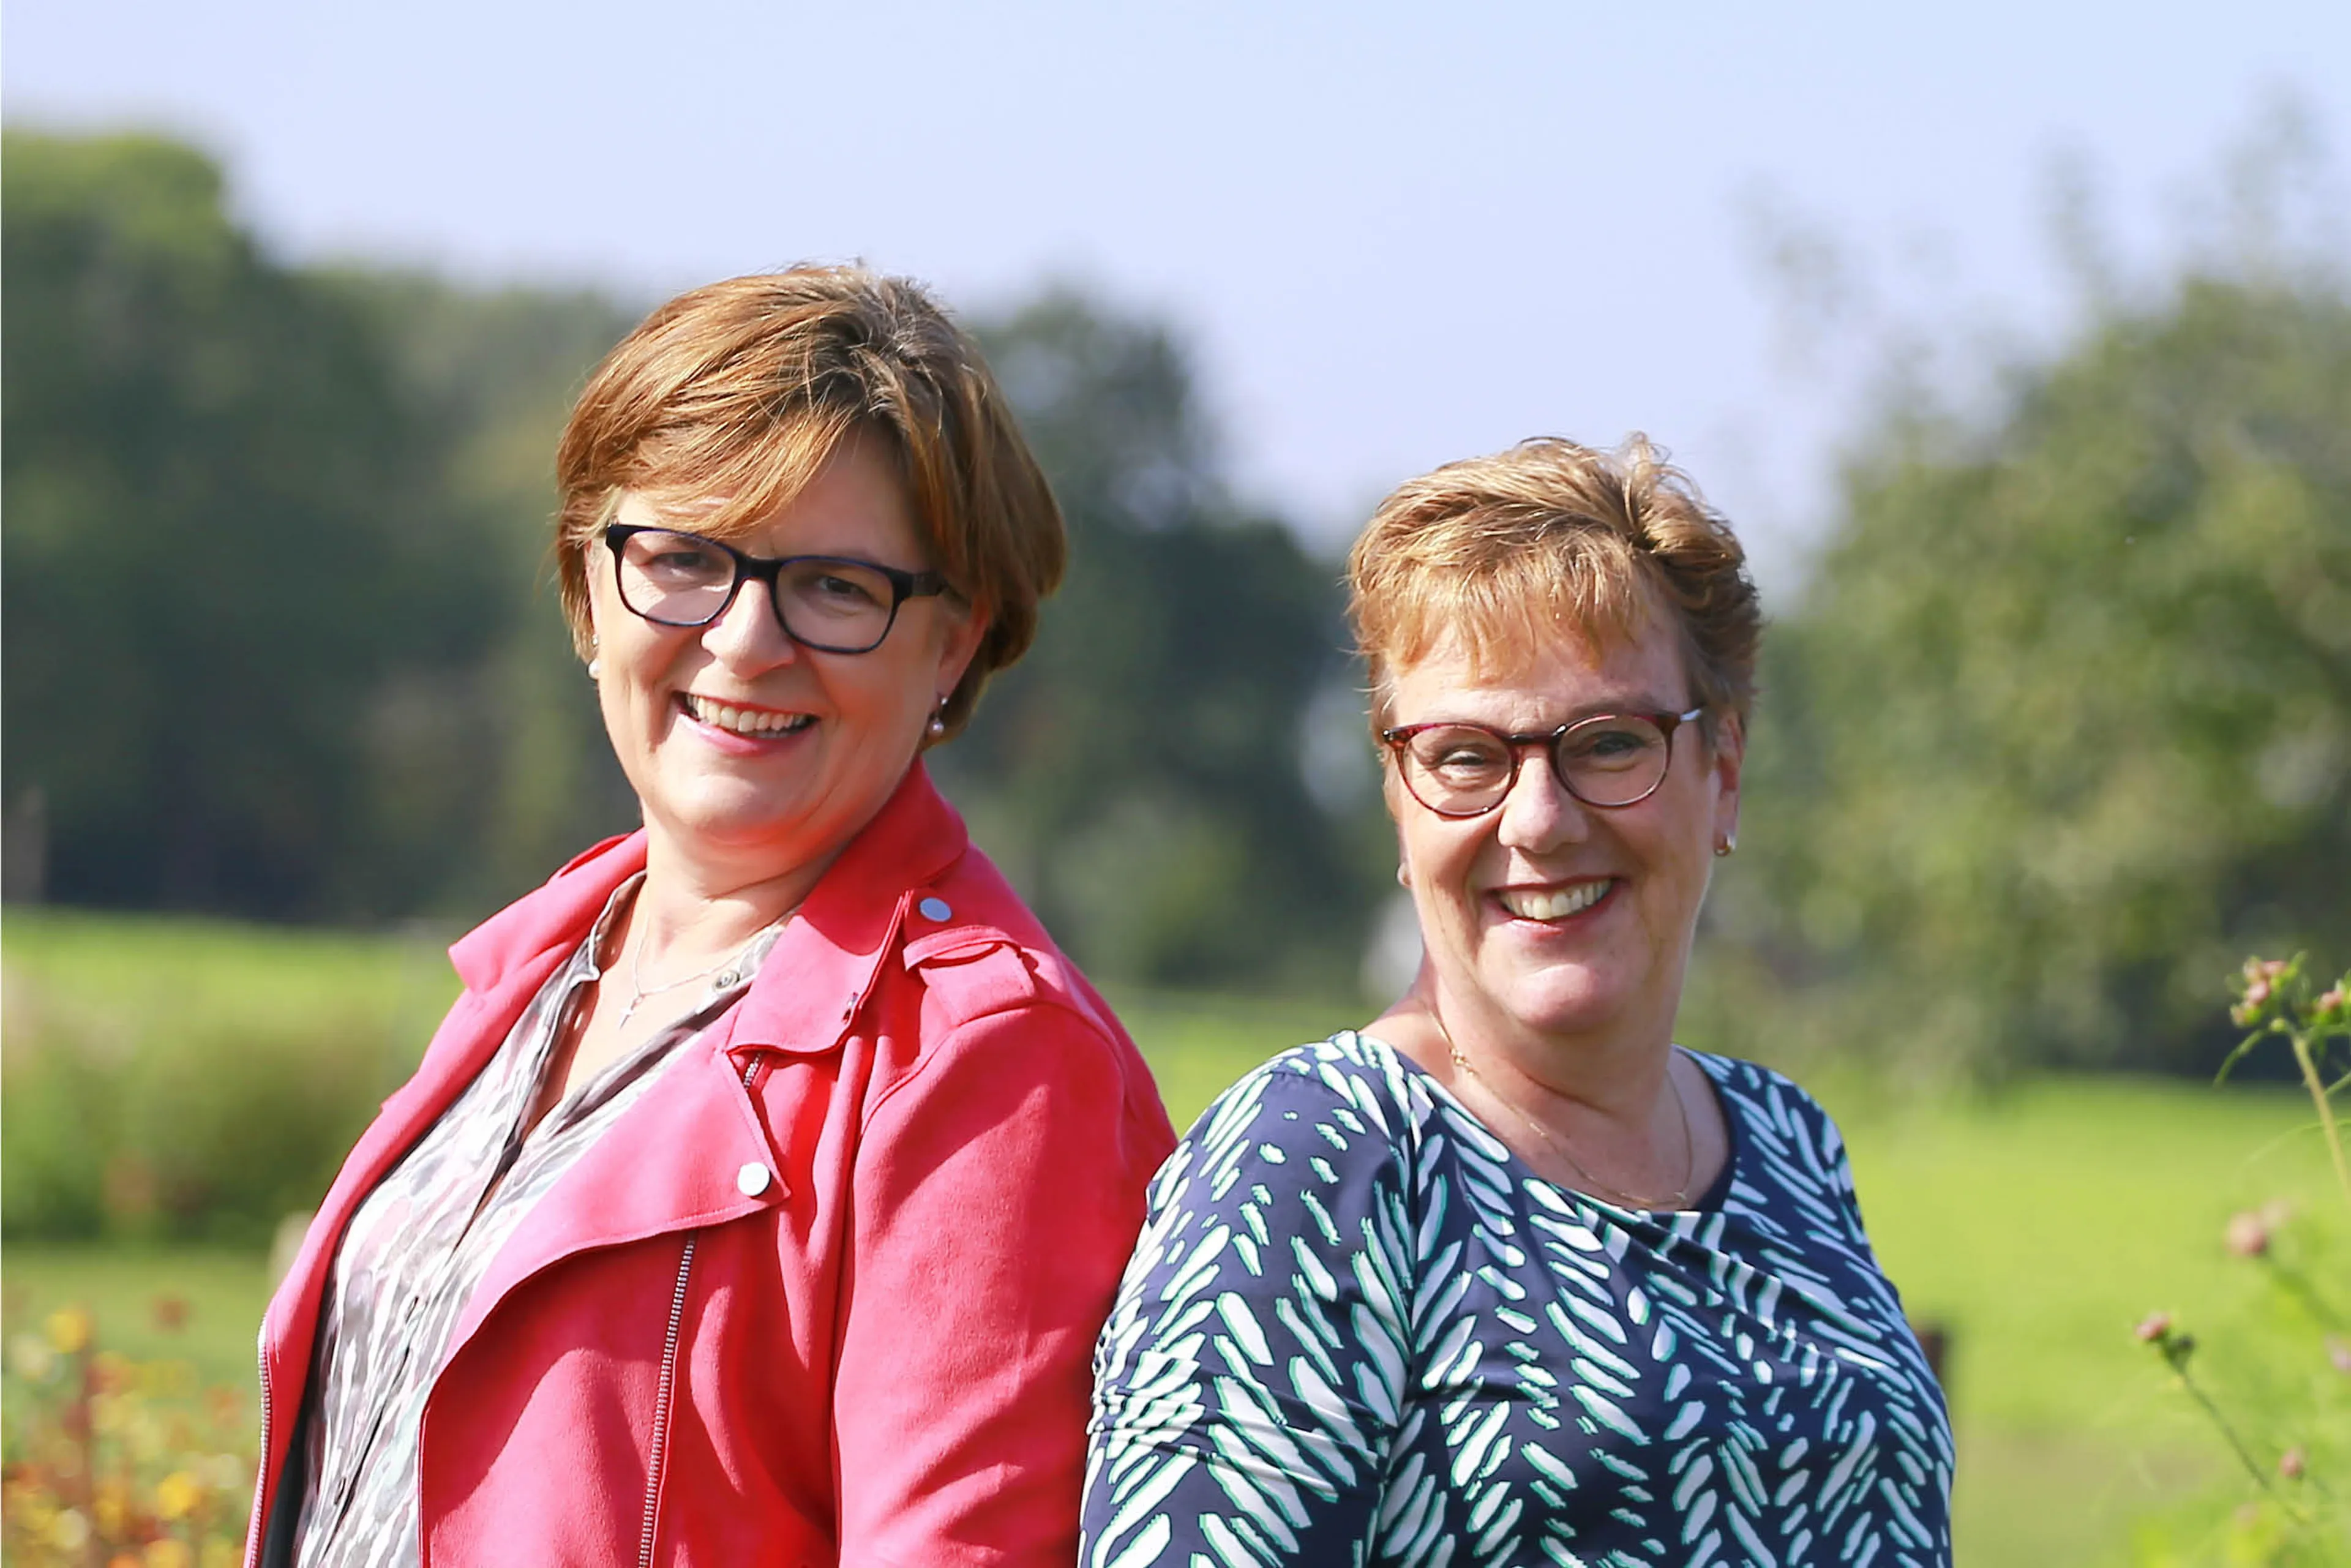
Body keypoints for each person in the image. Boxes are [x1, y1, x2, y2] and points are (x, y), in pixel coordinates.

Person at [248, 266, 1177, 1568]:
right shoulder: (543, 967)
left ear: (955, 643)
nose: (745, 640)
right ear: (589, 587)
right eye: (684, 558)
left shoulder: (989, 1065)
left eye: (836, 586)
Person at [1082, 438, 1953, 1566]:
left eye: (1609, 743)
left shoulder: (1787, 1142)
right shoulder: (1317, 1162)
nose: (1539, 820)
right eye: (1464, 756)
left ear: (1725, 770)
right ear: (1399, 799)